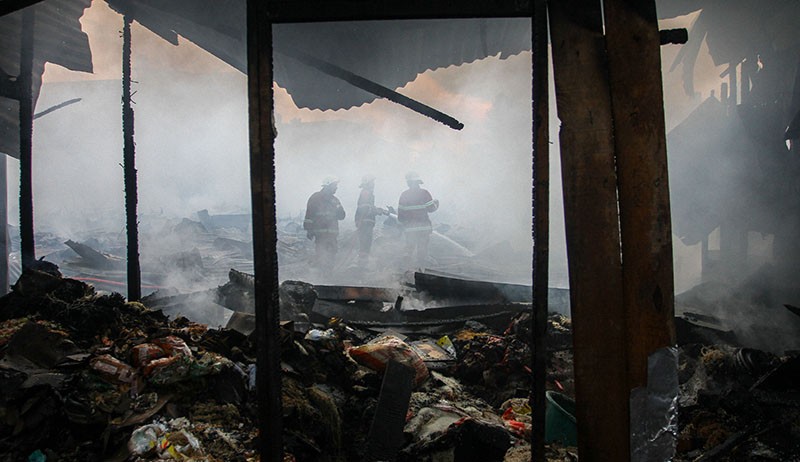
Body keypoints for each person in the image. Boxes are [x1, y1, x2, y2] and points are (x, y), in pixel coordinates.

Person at [397, 171, 439, 268]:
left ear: (408, 183)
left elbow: (400, 215)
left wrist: (403, 224)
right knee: (422, 250)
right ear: (418, 182)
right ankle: (421, 269)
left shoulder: (404, 195)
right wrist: (436, 204)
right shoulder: (424, 193)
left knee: (409, 248)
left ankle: (406, 268)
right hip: (423, 228)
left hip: (410, 229)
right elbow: (431, 209)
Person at [304, 176, 346, 271]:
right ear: (328, 186)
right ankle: (320, 277)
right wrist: (309, 229)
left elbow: (342, 216)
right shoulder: (315, 198)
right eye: (334, 185)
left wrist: (338, 207)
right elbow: (309, 214)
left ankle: (328, 277)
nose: (336, 188)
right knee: (321, 255)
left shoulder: (335, 200)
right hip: (320, 235)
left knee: (331, 256)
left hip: (332, 235)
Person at [355, 174, 387, 267]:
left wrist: (378, 209)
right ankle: (362, 266)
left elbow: (368, 207)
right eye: (372, 182)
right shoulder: (366, 193)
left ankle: (362, 265)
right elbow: (366, 208)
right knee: (365, 245)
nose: (373, 184)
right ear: (368, 183)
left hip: (365, 223)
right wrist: (377, 211)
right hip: (365, 223)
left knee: (365, 245)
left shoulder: (366, 193)